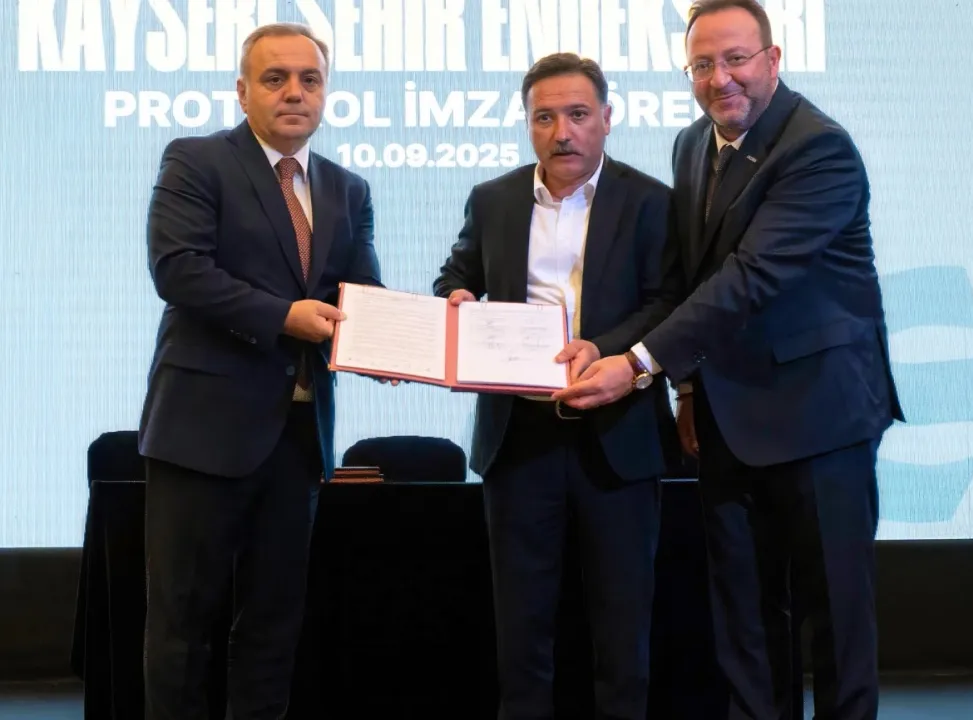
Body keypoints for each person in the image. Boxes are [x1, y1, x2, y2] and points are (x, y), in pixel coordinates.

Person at [552, 1, 905, 718]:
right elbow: (692, 278)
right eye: (703, 65)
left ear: (773, 60)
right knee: (744, 625)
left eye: (737, 59)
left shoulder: (818, 149)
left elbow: (749, 278)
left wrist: (637, 365)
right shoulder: (692, 144)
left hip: (821, 419)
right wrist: (678, 385)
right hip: (726, 420)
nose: (721, 79)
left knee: (836, 622)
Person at [137, 22, 382, 719]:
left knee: (274, 625)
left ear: (326, 93)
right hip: (202, 435)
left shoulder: (347, 188)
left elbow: (362, 295)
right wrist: (284, 317)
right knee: (183, 626)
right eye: (276, 79)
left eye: (310, 79)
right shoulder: (196, 160)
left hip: (298, 439)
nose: (294, 92)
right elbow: (179, 270)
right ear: (243, 92)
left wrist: (406, 340)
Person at [433, 53, 675, 720]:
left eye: (577, 115)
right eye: (544, 118)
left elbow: (668, 303)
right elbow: (457, 274)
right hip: (519, 437)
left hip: (618, 435)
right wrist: (456, 297)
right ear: (528, 123)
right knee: (522, 628)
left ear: (607, 119)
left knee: (622, 626)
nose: (562, 132)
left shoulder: (652, 201)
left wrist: (605, 347)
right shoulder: (492, 199)